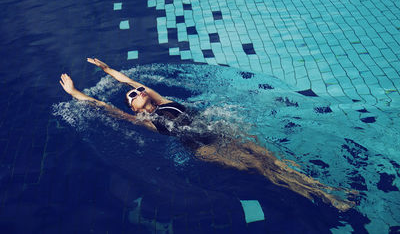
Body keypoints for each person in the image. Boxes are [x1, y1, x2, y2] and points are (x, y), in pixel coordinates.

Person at [59, 58, 356, 211]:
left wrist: (108, 69)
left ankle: (324, 188)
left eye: (138, 90)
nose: (137, 91)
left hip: (217, 130)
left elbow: (128, 79)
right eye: (132, 96)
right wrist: (74, 93)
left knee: (271, 158)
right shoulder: (145, 122)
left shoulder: (161, 99)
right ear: (135, 109)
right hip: (204, 149)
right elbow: (102, 106)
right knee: (263, 168)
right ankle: (326, 198)